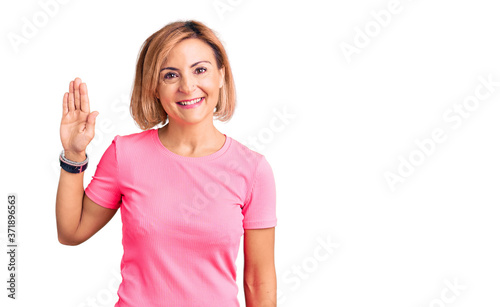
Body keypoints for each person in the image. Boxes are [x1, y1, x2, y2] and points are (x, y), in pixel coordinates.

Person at [55, 20, 277, 306]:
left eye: (200, 70)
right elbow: (71, 232)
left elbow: (258, 279)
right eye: (170, 75)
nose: (188, 86)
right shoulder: (126, 155)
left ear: (221, 76)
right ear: (153, 88)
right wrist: (73, 156)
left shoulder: (253, 170)